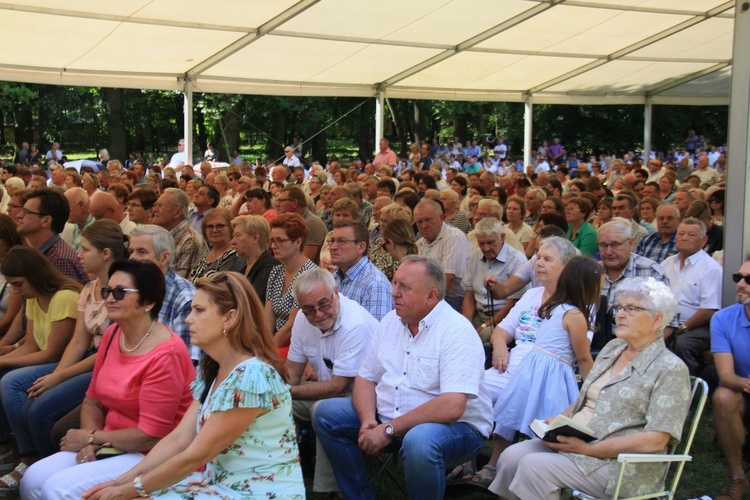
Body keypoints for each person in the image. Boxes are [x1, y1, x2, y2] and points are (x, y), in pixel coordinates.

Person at [81, 272, 305, 499]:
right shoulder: (214, 371)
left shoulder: (252, 375)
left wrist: (128, 490)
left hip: (259, 493)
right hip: (219, 485)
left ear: (229, 318)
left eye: (199, 311)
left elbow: (196, 455)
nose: (188, 319)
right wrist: (120, 482)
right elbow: (179, 439)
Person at [489, 277, 691, 499]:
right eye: (619, 307)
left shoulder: (670, 369)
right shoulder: (614, 348)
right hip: (579, 443)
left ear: (657, 320)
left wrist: (588, 449)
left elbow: (656, 439)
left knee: (533, 465)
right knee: (511, 457)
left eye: (631, 309)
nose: (620, 314)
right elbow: (585, 397)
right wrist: (559, 422)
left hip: (620, 464)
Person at [313, 256, 492, 499]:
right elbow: (365, 378)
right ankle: (358, 496)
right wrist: (368, 421)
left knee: (420, 441)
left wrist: (388, 430)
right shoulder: (391, 322)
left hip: (456, 429)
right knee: (325, 412)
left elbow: (452, 405)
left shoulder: (456, 331)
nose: (393, 292)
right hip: (387, 418)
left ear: (431, 296)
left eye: (404, 287)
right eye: (394, 283)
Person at [21, 259, 195, 499]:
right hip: (108, 442)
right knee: (33, 479)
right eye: (107, 291)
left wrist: (91, 437)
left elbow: (152, 434)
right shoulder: (114, 334)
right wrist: (90, 442)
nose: (109, 298)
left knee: (57, 488)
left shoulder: (166, 353)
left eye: (120, 292)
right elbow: (93, 401)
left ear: (148, 302)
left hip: (149, 453)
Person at [0, 221, 126, 490]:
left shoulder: (119, 292)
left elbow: (105, 349)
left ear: (105, 254)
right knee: (20, 392)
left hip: (107, 362)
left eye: (86, 249)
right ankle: (28, 457)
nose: (78, 254)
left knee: (40, 409)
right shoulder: (88, 289)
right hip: (88, 356)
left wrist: (58, 376)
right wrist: (56, 376)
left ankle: (48, 463)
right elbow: (78, 342)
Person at [459, 236, 578, 485]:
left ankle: (494, 463)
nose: (538, 264)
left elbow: (577, 351)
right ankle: (466, 457)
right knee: (466, 391)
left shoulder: (576, 304)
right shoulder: (532, 295)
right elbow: (503, 330)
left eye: (547, 259)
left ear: (566, 267)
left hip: (544, 376)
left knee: (515, 392)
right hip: (509, 365)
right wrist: (501, 346)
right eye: (537, 258)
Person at [286, 268, 378, 497]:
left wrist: (287, 393)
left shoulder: (354, 324)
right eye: (309, 309)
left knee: (325, 411)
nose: (317, 314)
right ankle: (276, 472)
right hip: (330, 392)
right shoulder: (301, 318)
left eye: (323, 304)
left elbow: (339, 386)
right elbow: (293, 371)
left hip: (369, 401)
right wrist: (280, 396)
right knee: (270, 402)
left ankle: (328, 491)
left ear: (336, 293)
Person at [0, 247, 82, 490]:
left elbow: (52, 352)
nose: (16, 291)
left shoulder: (64, 297)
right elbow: (31, 345)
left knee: (10, 382)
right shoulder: (34, 297)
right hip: (48, 358)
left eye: (18, 284)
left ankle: (29, 456)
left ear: (34, 276)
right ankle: (5, 448)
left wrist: (3, 360)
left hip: (67, 361)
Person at [492, 256, 598, 444]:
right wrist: (594, 386)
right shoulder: (575, 315)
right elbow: (583, 358)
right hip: (553, 375)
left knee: (517, 416)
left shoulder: (554, 306)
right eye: (599, 287)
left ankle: (497, 461)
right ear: (586, 287)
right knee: (551, 420)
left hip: (530, 370)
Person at [710, 259, 750, 500]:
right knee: (723, 397)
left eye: (749, 280)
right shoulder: (724, 318)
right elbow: (726, 376)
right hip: (744, 390)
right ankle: (737, 477)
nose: (741, 284)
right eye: (739, 278)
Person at [661, 218, 722, 375]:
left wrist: (681, 329)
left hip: (695, 326)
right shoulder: (667, 263)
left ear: (704, 240)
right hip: (663, 322)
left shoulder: (710, 268)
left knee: (681, 345)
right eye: (681, 234)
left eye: (691, 234)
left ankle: (687, 387)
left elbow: (708, 311)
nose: (684, 237)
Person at [461, 218, 528, 343]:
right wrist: (466, 325)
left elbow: (512, 304)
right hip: (478, 312)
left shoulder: (517, 260)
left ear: (502, 237)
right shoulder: (475, 256)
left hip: (503, 317)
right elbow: (469, 295)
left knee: (478, 340)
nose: (486, 248)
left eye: (491, 242)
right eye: (481, 244)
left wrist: (485, 326)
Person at [266, 213, 318, 352]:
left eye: (279, 241)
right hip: (274, 343)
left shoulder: (310, 275)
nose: (273, 246)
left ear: (298, 242)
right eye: (271, 241)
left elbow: (292, 326)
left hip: (297, 345)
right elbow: (268, 318)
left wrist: (266, 352)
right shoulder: (276, 271)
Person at [17, 188, 89, 284]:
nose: (19, 215)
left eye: (26, 212)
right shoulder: (41, 252)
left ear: (46, 221)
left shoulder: (59, 260)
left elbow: (66, 298)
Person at [329, 220, 393, 321]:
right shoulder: (333, 278)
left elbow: (376, 334)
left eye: (342, 241)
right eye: (332, 240)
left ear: (361, 247)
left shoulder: (375, 285)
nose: (333, 247)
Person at [414, 199, 471, 311]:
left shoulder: (453, 237)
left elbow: (448, 278)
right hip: (429, 295)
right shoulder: (419, 243)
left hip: (453, 298)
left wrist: (430, 307)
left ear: (441, 217)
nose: (424, 226)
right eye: (419, 222)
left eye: (428, 220)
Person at [151, 188, 208, 279]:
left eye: (160, 206)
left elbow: (177, 284)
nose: (154, 210)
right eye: (155, 205)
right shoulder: (160, 234)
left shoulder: (190, 240)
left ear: (177, 213)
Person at [230, 215, 279, 304]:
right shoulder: (243, 269)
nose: (232, 242)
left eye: (238, 236)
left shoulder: (271, 268)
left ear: (255, 238)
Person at [188, 209, 244, 283]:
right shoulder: (206, 253)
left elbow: (220, 285)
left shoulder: (235, 254)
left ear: (231, 228)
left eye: (220, 226)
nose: (214, 230)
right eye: (210, 227)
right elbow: (190, 278)